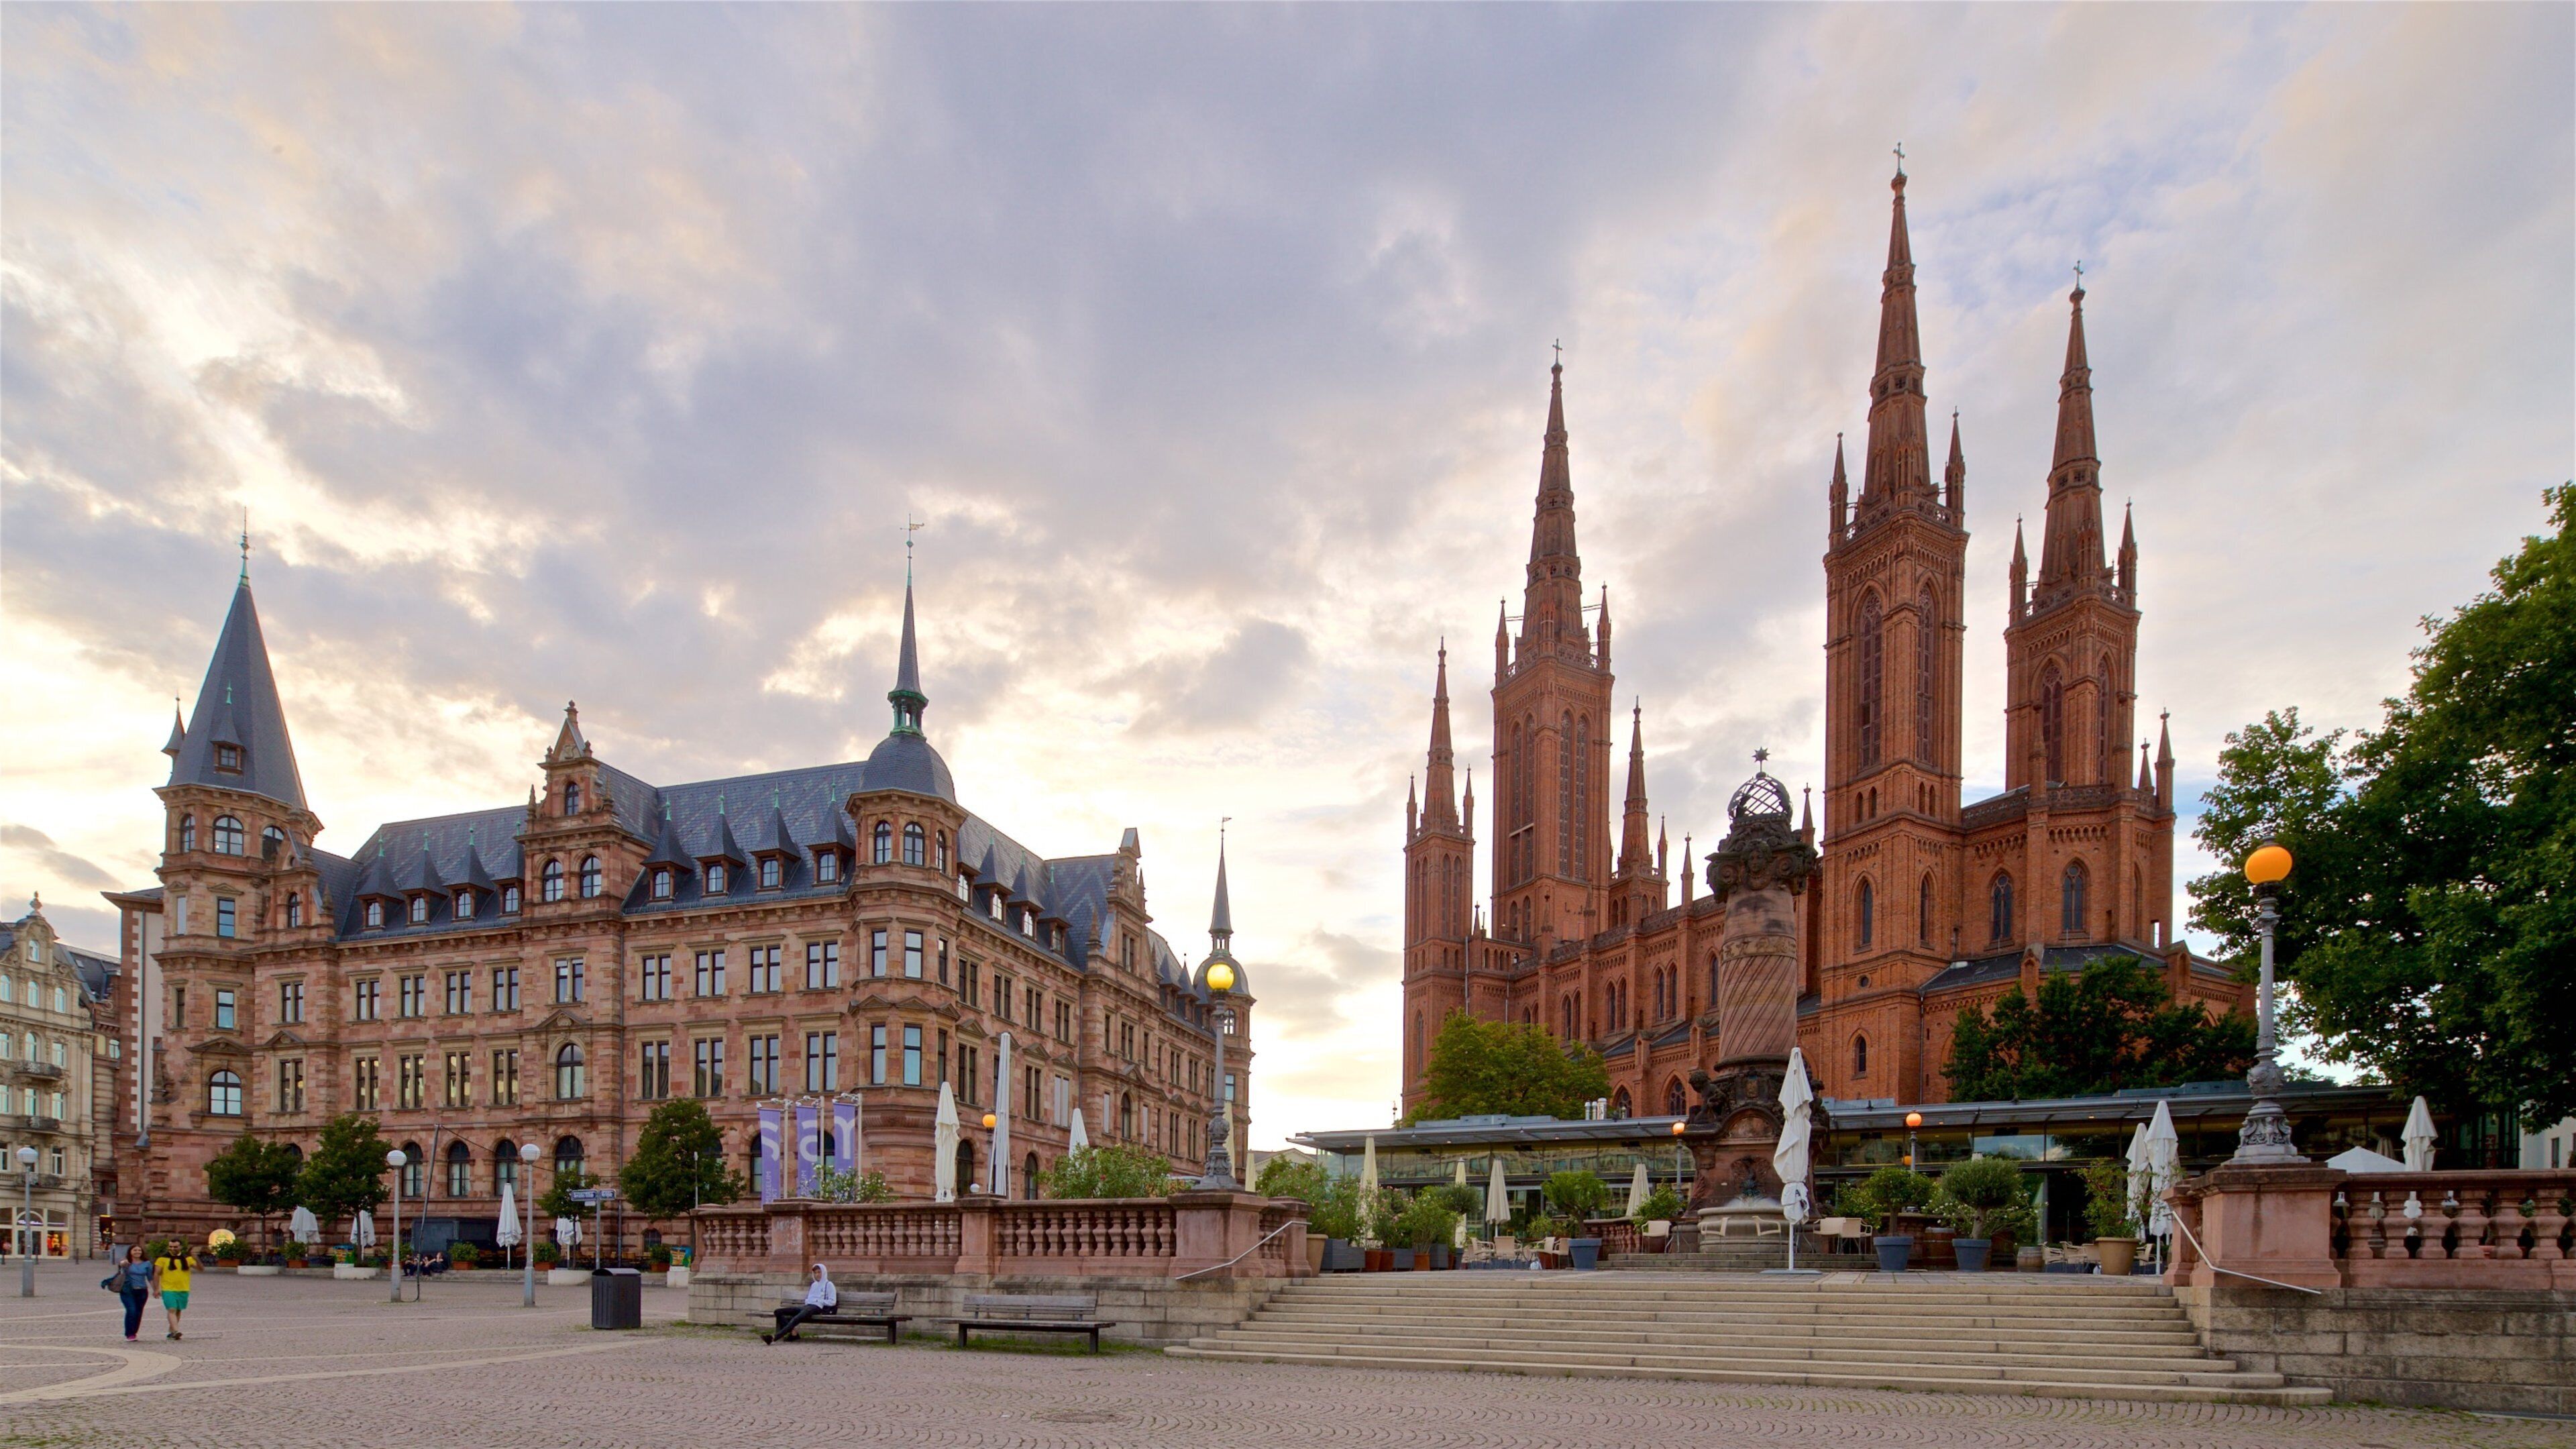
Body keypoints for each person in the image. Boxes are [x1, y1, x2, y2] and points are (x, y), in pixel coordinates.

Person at [763, 1263, 837, 1344]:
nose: (817, 1275)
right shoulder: (814, 1285)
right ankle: (794, 1333)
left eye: (819, 1272)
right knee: (778, 1312)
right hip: (808, 1306)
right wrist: (809, 1301)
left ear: (824, 1272)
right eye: (815, 1273)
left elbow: (833, 1301)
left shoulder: (829, 1285)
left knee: (796, 1318)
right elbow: (809, 1298)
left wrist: (819, 1301)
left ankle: (774, 1338)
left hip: (817, 1308)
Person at [101, 1246, 152, 1342]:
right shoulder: (126, 1262)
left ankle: (134, 1332)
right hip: (127, 1290)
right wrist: (122, 1264)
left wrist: (156, 1289)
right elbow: (121, 1265)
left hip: (142, 1291)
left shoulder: (147, 1263)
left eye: (139, 1250)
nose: (137, 1252)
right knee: (131, 1310)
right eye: (135, 1250)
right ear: (130, 1252)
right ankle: (129, 1334)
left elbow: (150, 1277)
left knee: (138, 1312)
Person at [150, 1241, 199, 1340]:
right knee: (172, 1309)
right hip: (168, 1289)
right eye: (170, 1247)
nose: (172, 1249)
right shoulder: (162, 1259)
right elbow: (156, 1274)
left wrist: (196, 1257)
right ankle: (177, 1331)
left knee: (178, 1310)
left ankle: (172, 1332)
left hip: (183, 1288)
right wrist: (156, 1289)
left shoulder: (187, 1259)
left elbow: (200, 1269)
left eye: (175, 1247)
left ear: (181, 1247)